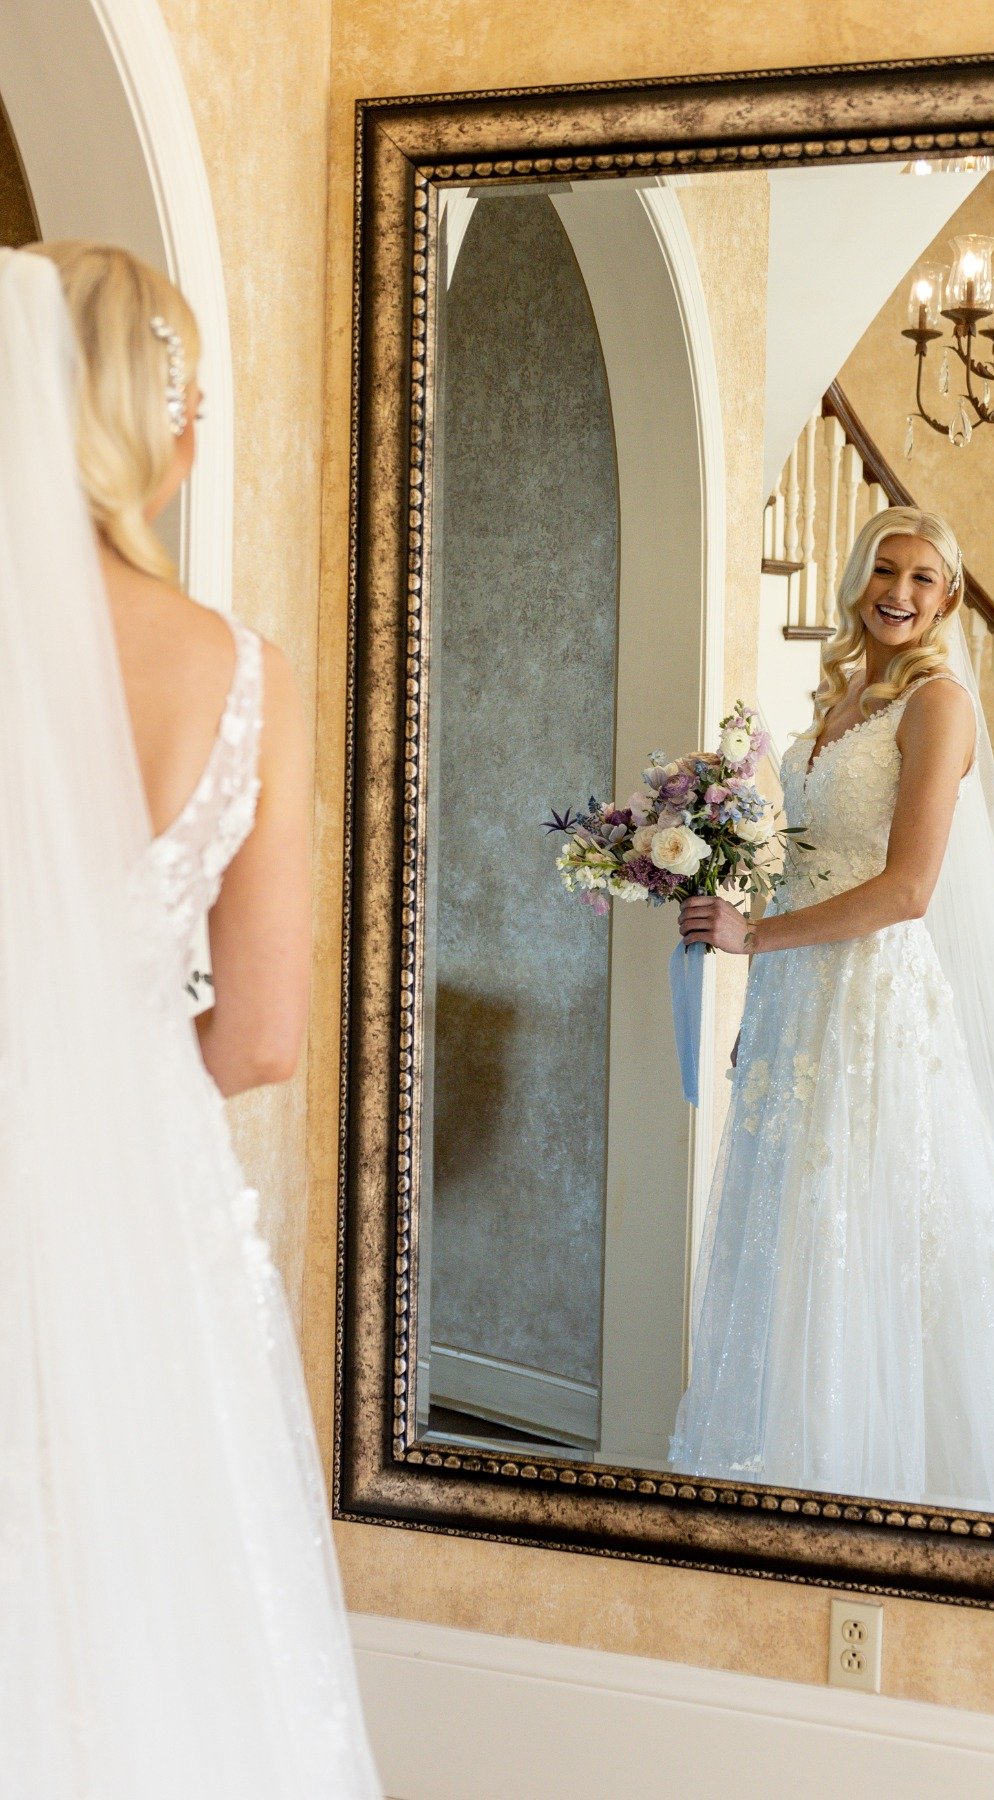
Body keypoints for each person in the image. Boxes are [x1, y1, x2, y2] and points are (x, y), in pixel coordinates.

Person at [0, 244, 381, 1795]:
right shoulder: (243, 676)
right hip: (125, 1213)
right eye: (192, 400)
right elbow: (267, 1037)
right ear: (144, 424)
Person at [670, 506, 994, 1519]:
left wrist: (755, 941)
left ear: (947, 597)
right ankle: (779, 1461)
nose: (899, 593)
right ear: (860, 579)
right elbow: (810, 856)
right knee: (787, 1215)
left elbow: (908, 890)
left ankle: (869, 1473)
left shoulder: (938, 704)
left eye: (923, 579)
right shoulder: (845, 693)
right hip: (794, 1002)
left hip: (870, 1003)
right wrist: (743, 939)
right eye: (884, 571)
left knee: (871, 1216)